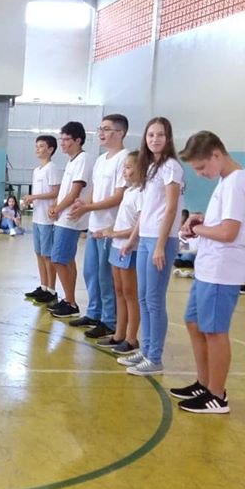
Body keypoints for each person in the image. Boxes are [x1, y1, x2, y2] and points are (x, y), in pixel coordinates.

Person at [170, 131, 245, 413]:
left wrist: (196, 228)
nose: (199, 174)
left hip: (223, 270)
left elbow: (229, 232)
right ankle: (204, 382)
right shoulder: (226, 181)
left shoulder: (236, 183)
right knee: (194, 322)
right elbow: (223, 223)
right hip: (209, 267)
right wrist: (203, 220)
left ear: (216, 155)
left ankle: (217, 395)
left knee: (215, 331)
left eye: (201, 167)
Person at [119, 117, 184, 376]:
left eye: (160, 135)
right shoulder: (150, 168)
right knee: (144, 297)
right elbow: (147, 209)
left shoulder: (171, 167)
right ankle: (145, 351)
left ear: (168, 138)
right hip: (145, 238)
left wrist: (159, 245)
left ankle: (154, 358)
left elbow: (170, 208)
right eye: (150, 135)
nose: (154, 139)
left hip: (162, 240)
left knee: (155, 300)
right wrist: (133, 238)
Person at [68, 114, 128, 339]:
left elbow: (119, 196)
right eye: (100, 128)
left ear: (120, 132)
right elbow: (94, 190)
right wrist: (83, 203)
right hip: (95, 225)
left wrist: (88, 209)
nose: (101, 133)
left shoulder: (125, 158)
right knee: (91, 271)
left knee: (106, 276)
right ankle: (94, 313)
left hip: (111, 227)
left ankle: (109, 320)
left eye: (107, 129)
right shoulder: (102, 160)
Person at [48, 122, 95, 319]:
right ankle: (69, 299)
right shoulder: (71, 161)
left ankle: (70, 301)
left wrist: (57, 208)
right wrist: (56, 206)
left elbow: (75, 191)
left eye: (67, 139)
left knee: (58, 258)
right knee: (66, 259)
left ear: (78, 140)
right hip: (62, 217)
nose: (63, 143)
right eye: (62, 139)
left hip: (70, 218)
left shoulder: (83, 159)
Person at [98, 150, 142, 355]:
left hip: (129, 248)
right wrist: (109, 232)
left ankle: (131, 339)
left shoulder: (142, 193)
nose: (124, 171)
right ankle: (119, 334)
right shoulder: (129, 192)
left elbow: (139, 227)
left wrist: (117, 233)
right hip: (117, 246)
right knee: (119, 291)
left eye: (128, 167)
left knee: (130, 294)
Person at [22, 135, 61, 305]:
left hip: (47, 219)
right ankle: (43, 286)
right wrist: (29, 200)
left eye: (41, 146)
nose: (37, 149)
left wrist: (34, 196)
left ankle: (52, 290)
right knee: (39, 254)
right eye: (36, 146)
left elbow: (55, 192)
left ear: (50, 149)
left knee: (48, 256)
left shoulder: (52, 168)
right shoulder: (37, 170)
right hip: (37, 217)